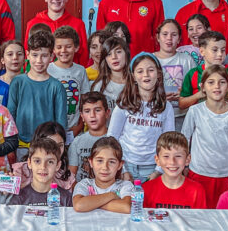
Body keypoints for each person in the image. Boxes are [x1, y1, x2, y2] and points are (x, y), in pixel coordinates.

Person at [182, 65, 228, 208]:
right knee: (200, 214)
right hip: (198, 172)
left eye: (222, 82)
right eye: (211, 82)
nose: (217, 86)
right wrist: (184, 166)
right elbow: (185, 139)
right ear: (202, 87)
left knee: (224, 213)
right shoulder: (195, 111)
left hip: (226, 174)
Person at [109, 52, 175, 182]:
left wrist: (158, 170)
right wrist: (123, 170)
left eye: (151, 70)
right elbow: (112, 138)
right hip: (126, 164)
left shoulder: (166, 107)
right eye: (140, 71)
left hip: (153, 167)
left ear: (158, 74)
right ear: (133, 76)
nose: (146, 75)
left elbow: (169, 142)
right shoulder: (123, 105)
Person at [8, 30, 67, 159]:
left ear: (52, 56)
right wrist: (10, 145)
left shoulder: (57, 87)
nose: (39, 60)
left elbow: (61, 123)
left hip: (48, 146)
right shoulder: (18, 82)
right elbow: (10, 116)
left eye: (44, 56)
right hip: (21, 145)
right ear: (28, 55)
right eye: (35, 55)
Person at [25, 0, 89, 66]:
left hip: (70, 77)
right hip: (41, 76)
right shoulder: (33, 23)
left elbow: (83, 56)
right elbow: (27, 56)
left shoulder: (78, 24)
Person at [142, 131, 206, 209]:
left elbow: (199, 220)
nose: (172, 162)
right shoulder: (146, 189)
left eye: (178, 156)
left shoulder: (197, 190)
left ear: (187, 159)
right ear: (157, 160)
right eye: (166, 156)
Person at [72, 136, 133, 213]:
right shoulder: (84, 184)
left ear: (120, 165)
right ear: (91, 162)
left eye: (111, 162)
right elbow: (79, 205)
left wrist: (90, 204)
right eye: (100, 160)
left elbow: (126, 207)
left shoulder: (125, 185)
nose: (105, 167)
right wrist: (111, 195)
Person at [49, 25, 90, 137]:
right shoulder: (48, 70)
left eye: (68, 46)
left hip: (74, 128)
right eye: (59, 47)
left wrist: (80, 126)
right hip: (52, 129)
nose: (63, 51)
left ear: (76, 47)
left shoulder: (80, 71)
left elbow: (85, 101)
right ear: (53, 49)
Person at [179, 30, 228, 112]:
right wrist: (199, 95)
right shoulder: (193, 73)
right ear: (202, 51)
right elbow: (181, 104)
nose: (220, 54)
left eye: (223, 50)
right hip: (200, 121)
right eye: (215, 50)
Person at [154, 19, 195, 129]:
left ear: (179, 39)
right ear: (158, 37)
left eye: (174, 34)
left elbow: (196, 88)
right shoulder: (150, 60)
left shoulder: (187, 60)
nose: (169, 38)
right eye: (165, 34)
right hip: (156, 115)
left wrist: (185, 94)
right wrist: (159, 97)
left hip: (182, 116)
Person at [10, 137, 73, 207]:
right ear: (29, 163)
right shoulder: (19, 199)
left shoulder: (66, 199)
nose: (43, 167)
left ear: (58, 165)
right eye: (37, 161)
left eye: (50, 162)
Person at [13, 122, 75, 191]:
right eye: (50, 145)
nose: (56, 150)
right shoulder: (20, 172)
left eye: (60, 145)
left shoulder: (66, 176)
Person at [69, 92, 110, 179]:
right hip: (82, 190)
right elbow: (71, 177)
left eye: (97, 110)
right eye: (87, 111)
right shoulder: (77, 142)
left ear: (107, 113)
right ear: (82, 116)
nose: (92, 115)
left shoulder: (115, 140)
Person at [89, 35, 129, 108]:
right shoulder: (99, 86)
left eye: (118, 52)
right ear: (105, 59)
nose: (114, 57)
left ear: (126, 53)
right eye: (109, 54)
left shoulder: (137, 81)